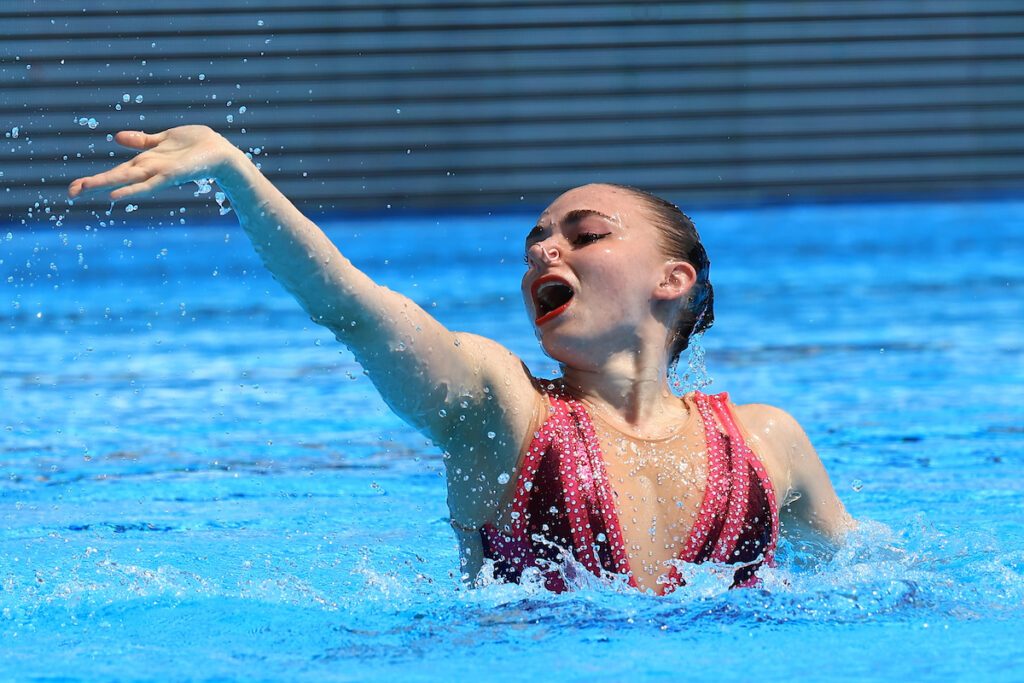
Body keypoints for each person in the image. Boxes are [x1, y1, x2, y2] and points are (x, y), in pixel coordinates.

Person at [68, 126, 854, 595]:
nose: (548, 247)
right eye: (538, 242)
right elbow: (350, 307)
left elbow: (868, 578)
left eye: (586, 234)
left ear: (672, 280)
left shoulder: (764, 443)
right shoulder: (502, 406)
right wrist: (237, 174)